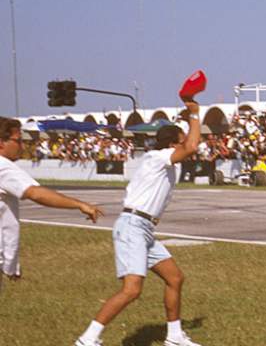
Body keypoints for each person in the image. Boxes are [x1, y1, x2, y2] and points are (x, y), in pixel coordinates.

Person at [75, 100, 202, 346]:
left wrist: (187, 120)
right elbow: (192, 145)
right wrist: (195, 115)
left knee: (175, 278)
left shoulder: (164, 159)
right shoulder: (158, 157)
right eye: (181, 138)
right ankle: (87, 339)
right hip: (133, 225)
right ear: (173, 143)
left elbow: (188, 143)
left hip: (143, 228)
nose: (185, 140)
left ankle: (175, 337)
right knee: (132, 290)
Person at [0, 117, 103, 293]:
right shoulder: (3, 166)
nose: (22, 147)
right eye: (18, 141)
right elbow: (35, 193)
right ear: (2, 142)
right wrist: (79, 204)